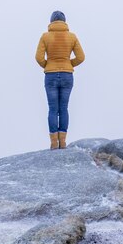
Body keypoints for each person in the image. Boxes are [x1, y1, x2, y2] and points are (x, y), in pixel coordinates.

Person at [35, 11, 85, 150]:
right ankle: (63, 142)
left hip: (50, 76)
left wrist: (48, 65)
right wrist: (69, 64)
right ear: (64, 22)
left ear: (51, 22)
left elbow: (39, 58)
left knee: (52, 109)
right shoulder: (72, 37)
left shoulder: (45, 36)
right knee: (63, 108)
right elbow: (81, 57)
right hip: (67, 76)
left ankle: (53, 142)